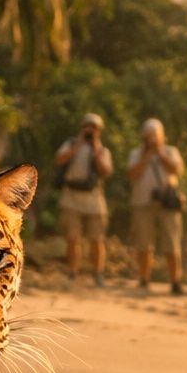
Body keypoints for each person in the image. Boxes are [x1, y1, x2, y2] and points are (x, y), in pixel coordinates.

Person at [126, 117, 185, 294]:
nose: (151, 138)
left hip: (167, 204)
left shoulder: (170, 151)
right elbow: (131, 174)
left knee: (172, 243)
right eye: (148, 135)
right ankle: (144, 279)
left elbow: (177, 170)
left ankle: (175, 281)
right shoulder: (136, 154)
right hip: (142, 203)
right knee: (143, 244)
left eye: (155, 135)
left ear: (162, 136)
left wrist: (159, 153)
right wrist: (146, 156)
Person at [54, 113, 114, 285]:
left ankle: (98, 274)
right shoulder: (71, 144)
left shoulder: (103, 150)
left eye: (94, 128)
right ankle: (73, 272)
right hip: (71, 197)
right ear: (81, 128)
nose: (90, 130)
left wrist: (95, 150)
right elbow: (59, 159)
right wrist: (79, 144)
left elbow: (106, 172)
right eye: (87, 126)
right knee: (73, 238)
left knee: (97, 239)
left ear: (99, 131)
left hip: (94, 199)